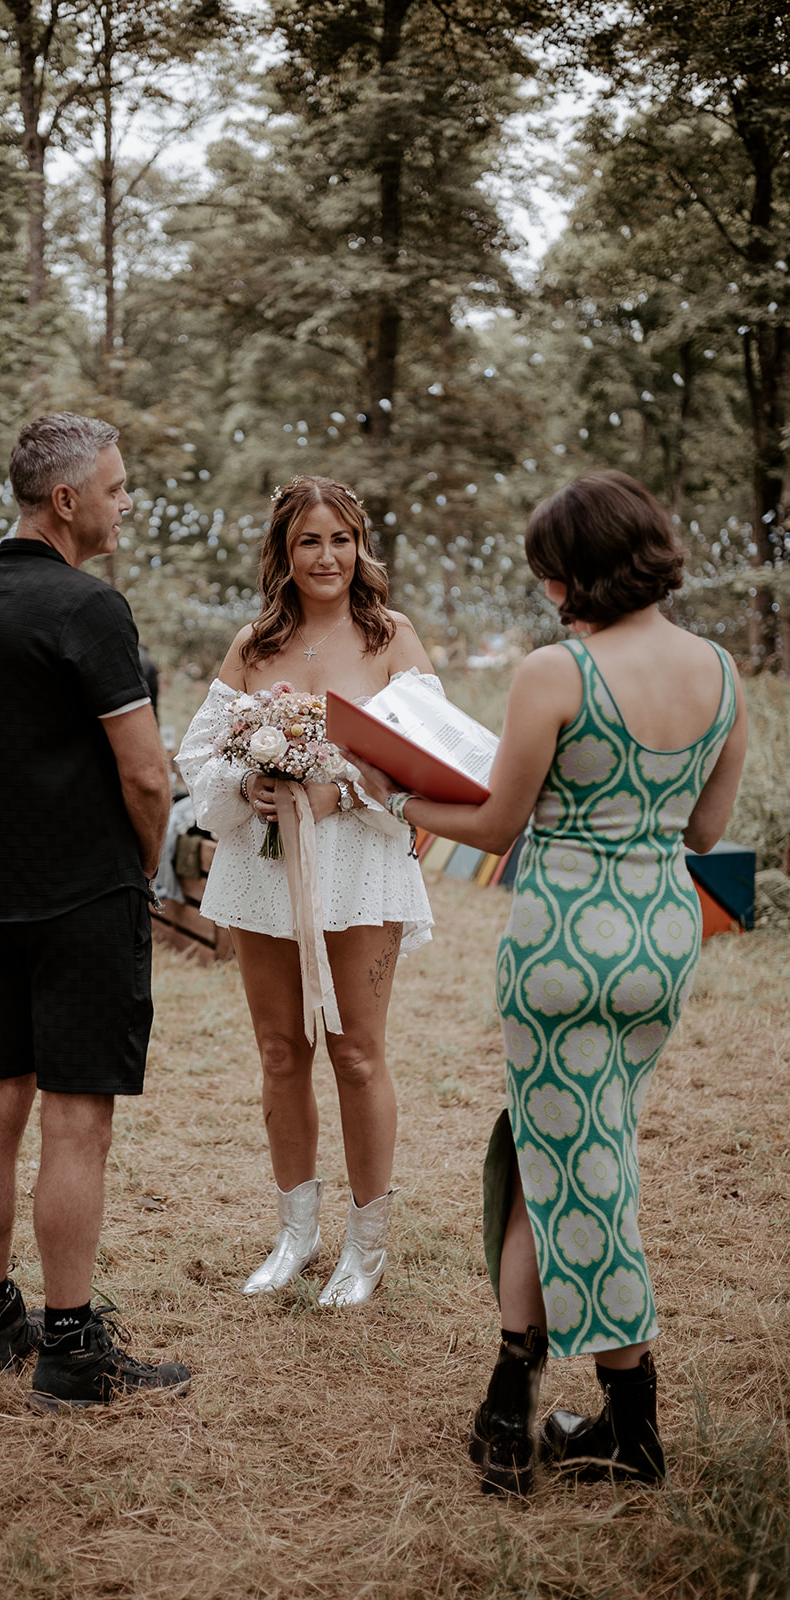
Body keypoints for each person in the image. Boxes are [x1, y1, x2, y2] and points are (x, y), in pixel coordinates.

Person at [348, 469, 748, 1495]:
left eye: (547, 577)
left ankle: (625, 1421)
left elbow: (493, 824)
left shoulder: (554, 672)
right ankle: (504, 1402)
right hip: (659, 938)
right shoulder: (720, 670)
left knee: (584, 1171)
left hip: (562, 946)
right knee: (560, 1147)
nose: (544, 596)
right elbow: (705, 832)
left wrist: (396, 800)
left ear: (578, 573)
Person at [0, 412, 191, 1412]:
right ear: (67, 500)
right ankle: (73, 1349)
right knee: (76, 1122)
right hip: (85, 895)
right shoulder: (90, 608)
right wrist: (138, 871)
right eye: (117, 489)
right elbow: (145, 774)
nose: (126, 504)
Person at [176, 475, 436, 1308]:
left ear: (360, 547)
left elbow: (423, 754)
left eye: (339, 540)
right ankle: (296, 1234)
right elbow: (199, 755)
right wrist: (245, 786)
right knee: (281, 1049)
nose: (326, 557)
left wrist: (343, 789)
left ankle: (366, 1246)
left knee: (355, 1053)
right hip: (263, 864)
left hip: (358, 866)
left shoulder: (391, 636)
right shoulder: (254, 643)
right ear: (283, 555)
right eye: (307, 542)